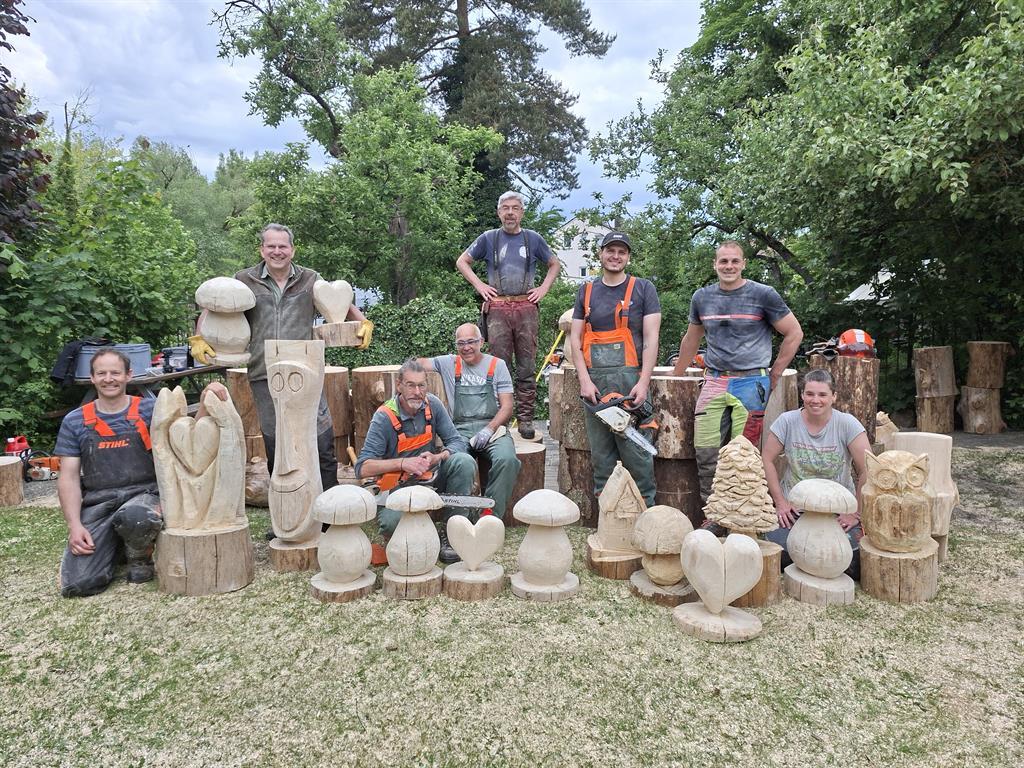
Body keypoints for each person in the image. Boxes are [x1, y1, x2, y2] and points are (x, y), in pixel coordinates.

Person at [192, 223, 373, 493]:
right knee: (276, 442)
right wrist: (198, 337)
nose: (277, 251)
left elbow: (340, 303)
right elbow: (214, 306)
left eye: (282, 246)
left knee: (320, 437)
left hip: (306, 372)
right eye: (271, 246)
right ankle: (284, 505)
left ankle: (329, 504)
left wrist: (363, 323)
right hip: (264, 373)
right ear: (262, 249)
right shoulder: (244, 280)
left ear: (292, 250)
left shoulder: (310, 279)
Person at [56, 347, 228, 597]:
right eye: (101, 373)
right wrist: (74, 526)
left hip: (146, 496)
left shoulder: (151, 409)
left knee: (136, 517)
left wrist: (205, 398)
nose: (108, 379)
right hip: (100, 503)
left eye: (115, 373)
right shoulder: (75, 421)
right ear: (92, 378)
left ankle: (139, 555)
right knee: (80, 584)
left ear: (128, 375)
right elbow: (69, 477)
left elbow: (187, 437)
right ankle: (116, 544)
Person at [672, 241, 803, 510]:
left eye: (734, 261)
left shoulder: (763, 294)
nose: (729, 266)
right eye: (723, 261)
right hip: (715, 380)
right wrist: (676, 376)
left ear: (744, 263)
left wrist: (776, 372)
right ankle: (714, 512)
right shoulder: (702, 298)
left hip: (751, 383)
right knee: (706, 451)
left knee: (743, 454)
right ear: (715, 264)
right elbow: (691, 339)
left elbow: (794, 332)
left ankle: (742, 515)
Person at [455, 191, 561, 439]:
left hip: (526, 307)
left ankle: (525, 420)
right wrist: (480, 286)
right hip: (498, 308)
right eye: (505, 208)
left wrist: (543, 289)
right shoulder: (488, 238)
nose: (510, 213)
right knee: (497, 366)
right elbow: (462, 261)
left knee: (527, 366)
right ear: (499, 212)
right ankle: (499, 420)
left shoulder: (532, 239)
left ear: (522, 212)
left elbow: (554, 263)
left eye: (515, 208)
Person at [570, 231, 661, 505]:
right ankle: (608, 518)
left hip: (631, 384)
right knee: (602, 459)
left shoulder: (643, 289)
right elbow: (575, 339)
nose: (615, 256)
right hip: (595, 387)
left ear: (628, 257)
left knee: (638, 456)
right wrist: (584, 381)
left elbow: (651, 338)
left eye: (622, 252)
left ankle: (646, 515)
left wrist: (643, 383)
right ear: (601, 253)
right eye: (610, 250)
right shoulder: (586, 291)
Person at [355, 358, 476, 563]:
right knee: (392, 525)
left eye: (421, 385)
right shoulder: (384, 417)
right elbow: (362, 468)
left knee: (463, 461)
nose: (417, 392)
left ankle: (453, 531)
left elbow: (456, 441)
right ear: (399, 385)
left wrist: (438, 456)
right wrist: (402, 463)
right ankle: (424, 531)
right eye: (411, 385)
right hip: (398, 488)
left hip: (430, 479)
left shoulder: (433, 405)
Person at [761, 369, 871, 575]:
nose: (815, 400)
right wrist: (780, 502)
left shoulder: (847, 424)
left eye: (822, 394)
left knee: (853, 561)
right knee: (780, 553)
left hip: (837, 510)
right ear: (802, 395)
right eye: (810, 394)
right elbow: (766, 459)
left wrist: (855, 512)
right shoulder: (787, 421)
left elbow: (868, 468)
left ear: (833, 396)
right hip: (795, 509)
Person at [420, 323, 521, 522]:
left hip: (493, 430)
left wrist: (488, 430)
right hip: (459, 431)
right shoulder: (449, 363)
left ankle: (489, 517)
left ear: (481, 342)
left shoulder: (497, 365)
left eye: (471, 342)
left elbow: (507, 406)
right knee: (459, 461)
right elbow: (417, 364)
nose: (466, 347)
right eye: (461, 343)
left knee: (508, 460)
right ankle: (457, 521)